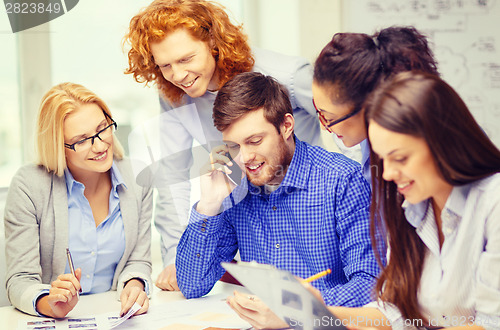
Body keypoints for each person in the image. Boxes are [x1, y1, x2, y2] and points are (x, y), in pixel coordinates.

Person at [124, 0, 321, 291]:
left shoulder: (288, 75)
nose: (178, 76)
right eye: (165, 65)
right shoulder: (174, 94)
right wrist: (176, 258)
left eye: (186, 59)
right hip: (251, 228)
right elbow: (172, 176)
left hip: (313, 217)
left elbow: (348, 126)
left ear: (213, 42)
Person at [175, 72, 380, 329]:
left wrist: (298, 309)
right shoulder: (233, 187)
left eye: (255, 141)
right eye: (234, 146)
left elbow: (371, 284)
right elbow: (192, 284)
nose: (246, 157)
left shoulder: (342, 179)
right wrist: (209, 205)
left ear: (286, 126)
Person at [309, 72, 500, 329]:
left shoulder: (493, 202)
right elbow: (395, 313)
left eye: (400, 158)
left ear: (443, 143)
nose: (387, 174)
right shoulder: (410, 207)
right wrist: (316, 312)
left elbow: (491, 323)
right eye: (383, 159)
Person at [4, 83, 153, 318]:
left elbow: (138, 260)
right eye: (82, 140)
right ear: (58, 147)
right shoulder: (29, 185)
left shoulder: (137, 177)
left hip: (115, 317)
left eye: (102, 128)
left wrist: (134, 286)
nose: (100, 145)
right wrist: (48, 302)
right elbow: (20, 280)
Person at [312, 26, 439, 184]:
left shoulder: (430, 149)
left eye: (329, 118)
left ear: (370, 106)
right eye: (319, 112)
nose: (324, 126)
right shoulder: (367, 143)